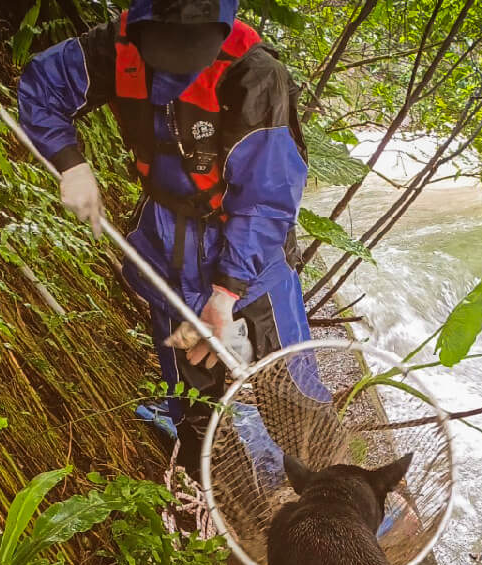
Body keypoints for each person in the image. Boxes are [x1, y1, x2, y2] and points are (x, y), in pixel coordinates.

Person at [19, 0, 311, 477]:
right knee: (192, 390)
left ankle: (328, 498)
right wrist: (69, 162)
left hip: (252, 251)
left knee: (288, 382)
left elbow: (264, 199)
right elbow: (43, 86)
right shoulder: (116, 46)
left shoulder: (254, 73)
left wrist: (224, 296)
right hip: (169, 239)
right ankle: (218, 493)